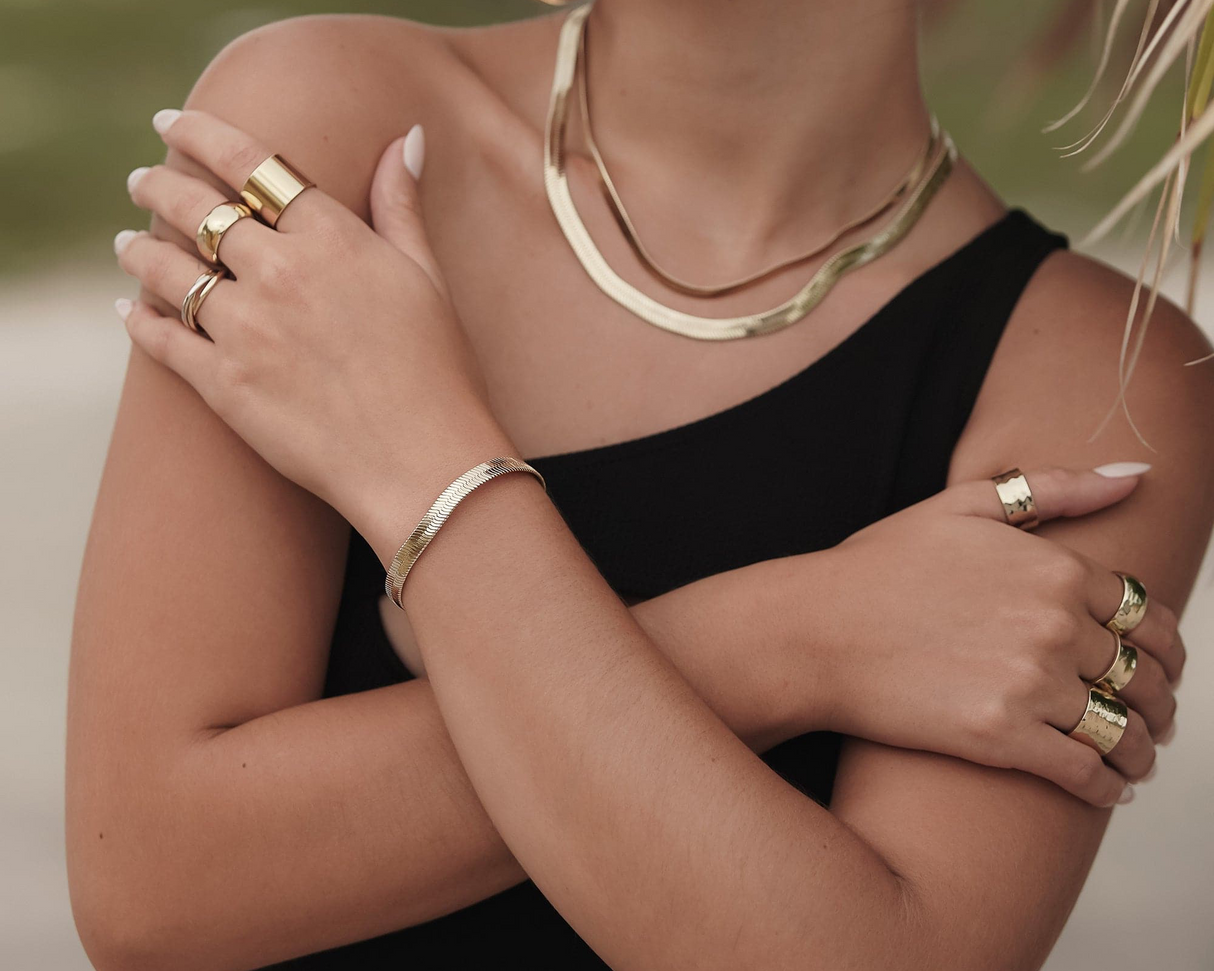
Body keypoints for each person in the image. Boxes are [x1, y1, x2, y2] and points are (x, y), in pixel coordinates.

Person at [67, 1, 1214, 969]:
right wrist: (799, 638)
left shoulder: (1101, 373)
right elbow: (154, 879)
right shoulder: (329, 122)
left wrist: (425, 482)